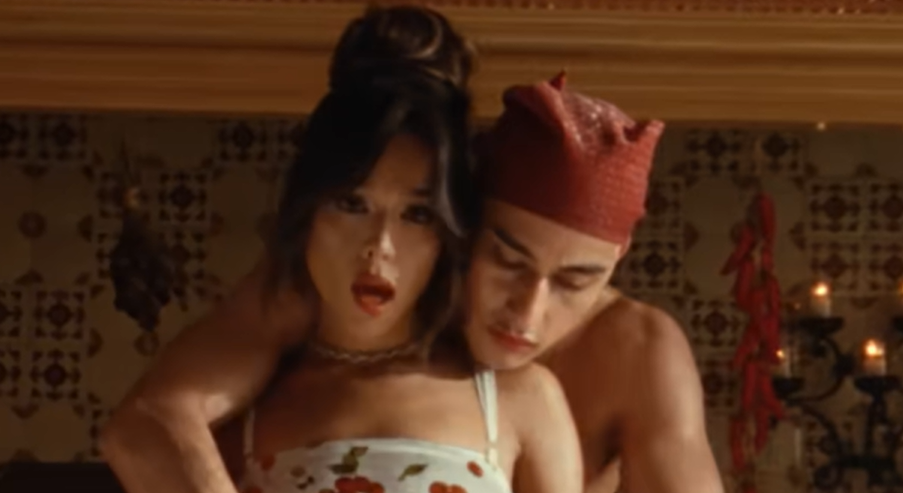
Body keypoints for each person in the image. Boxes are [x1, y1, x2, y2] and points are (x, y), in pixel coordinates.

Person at [102, 18, 723, 493]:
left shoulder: (625, 353)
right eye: (508, 260)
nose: (528, 312)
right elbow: (150, 422)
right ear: (468, 229)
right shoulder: (305, 296)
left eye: (574, 280)